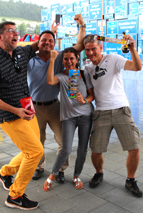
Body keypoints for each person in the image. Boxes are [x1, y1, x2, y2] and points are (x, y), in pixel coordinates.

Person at [0, 21, 43, 210]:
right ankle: (15, 196)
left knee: (31, 149)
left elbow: (35, 46)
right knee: (35, 152)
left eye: (16, 31)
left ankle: (5, 173)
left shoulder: (20, 53)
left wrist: (50, 35)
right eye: (10, 31)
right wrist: (16, 110)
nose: (16, 34)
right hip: (10, 115)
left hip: (27, 110)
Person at [27, 14, 86, 182]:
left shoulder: (59, 57)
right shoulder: (30, 60)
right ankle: (39, 167)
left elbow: (79, 46)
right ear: (37, 43)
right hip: (35, 107)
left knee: (63, 140)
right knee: (38, 141)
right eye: (43, 40)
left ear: (55, 43)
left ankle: (61, 169)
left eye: (50, 41)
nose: (47, 43)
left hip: (54, 107)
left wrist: (81, 26)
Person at [82, 34, 143, 197]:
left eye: (94, 49)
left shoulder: (113, 59)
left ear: (100, 47)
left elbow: (137, 67)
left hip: (121, 108)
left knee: (134, 147)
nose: (90, 53)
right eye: (87, 50)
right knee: (95, 150)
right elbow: (88, 91)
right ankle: (99, 173)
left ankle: (131, 180)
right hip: (101, 112)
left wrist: (132, 49)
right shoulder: (87, 68)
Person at [43, 47, 94, 191]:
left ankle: (76, 175)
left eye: (72, 58)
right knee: (65, 149)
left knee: (82, 150)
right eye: (66, 59)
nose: (69, 61)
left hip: (85, 116)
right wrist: (53, 59)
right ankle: (52, 175)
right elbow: (50, 81)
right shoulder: (61, 76)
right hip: (68, 117)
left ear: (77, 58)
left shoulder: (84, 74)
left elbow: (92, 95)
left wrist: (84, 100)